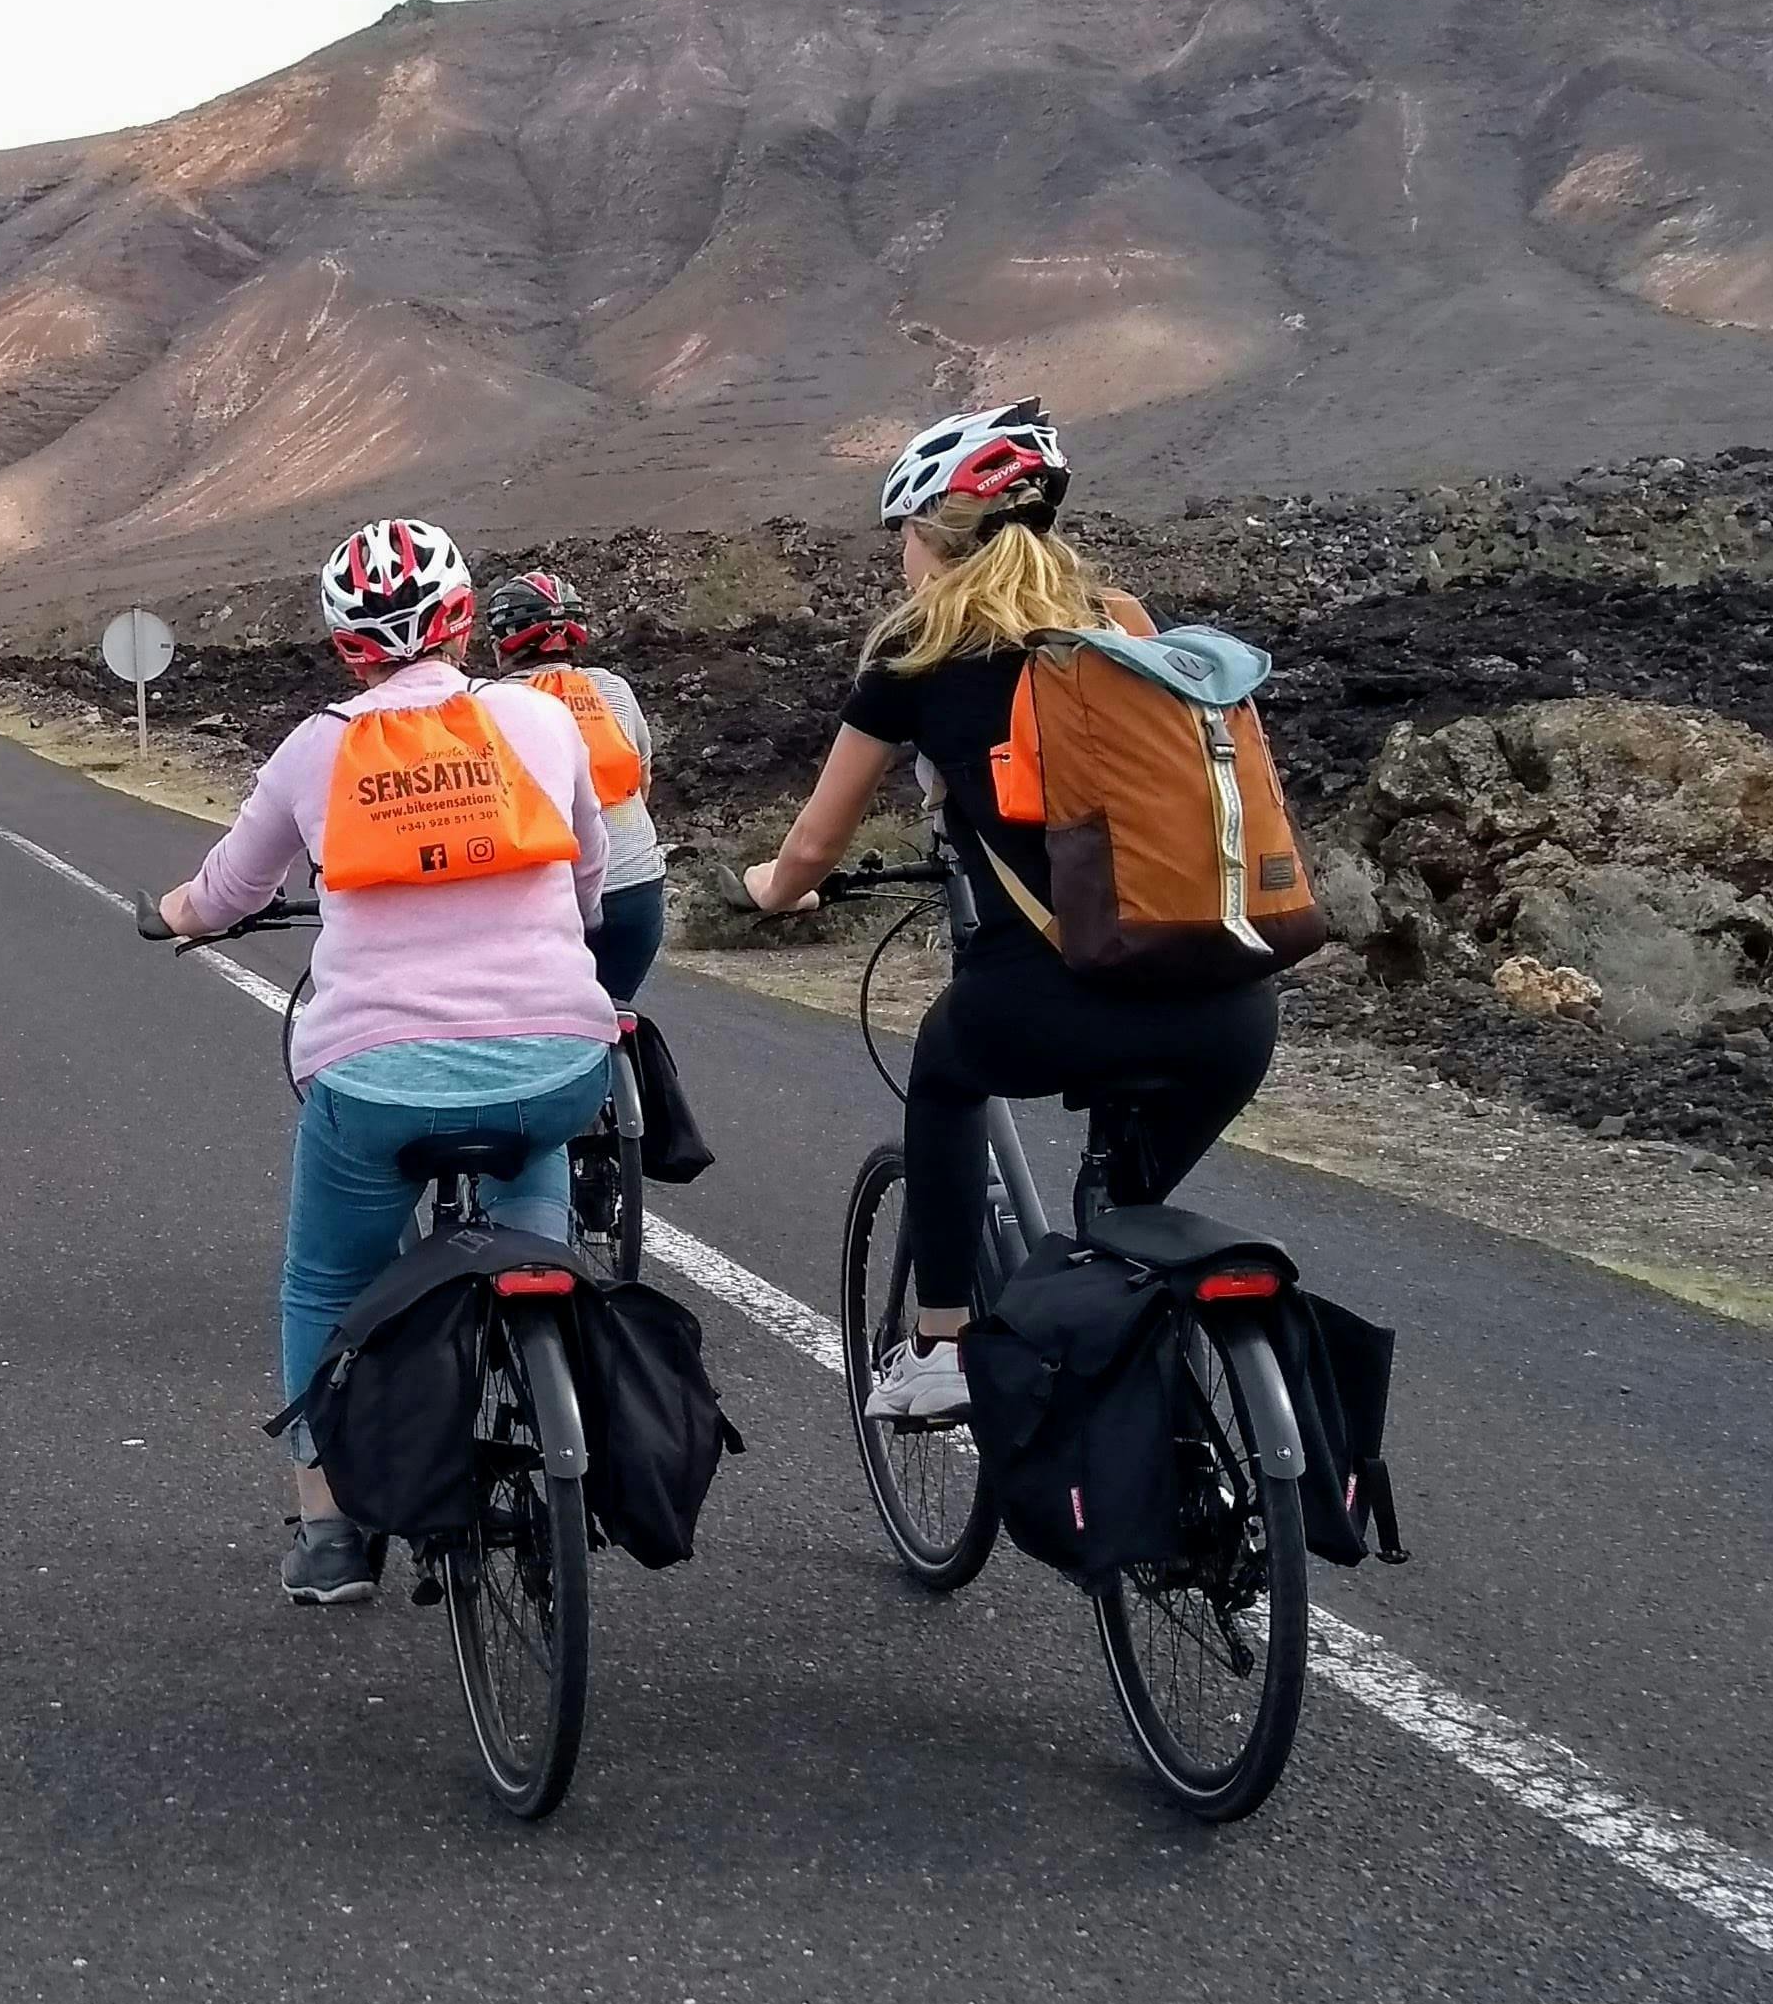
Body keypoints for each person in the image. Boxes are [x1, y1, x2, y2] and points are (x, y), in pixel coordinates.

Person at [733, 399, 1281, 1424]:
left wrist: (774, 889)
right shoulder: (1125, 626)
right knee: (1121, 1228)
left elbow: (814, 846)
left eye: (902, 534)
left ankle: (941, 1346)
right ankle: (1134, 1375)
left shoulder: (918, 653)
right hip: (1231, 1002)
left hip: (1048, 1001)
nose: (900, 556)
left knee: (946, 1076)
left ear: (932, 535)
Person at [150, 515, 617, 1606]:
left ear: (347, 645)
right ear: (462, 618)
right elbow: (590, 870)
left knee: (325, 1278)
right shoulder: (539, 725)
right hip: (556, 1058)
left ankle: (328, 1528)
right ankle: (556, 1425)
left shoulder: (319, 743)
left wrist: (171, 916)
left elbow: (227, 893)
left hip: (376, 1079)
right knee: (531, 1176)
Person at [479, 568, 669, 1003]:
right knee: (615, 1009)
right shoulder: (615, 691)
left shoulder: (485, 707)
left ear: (498, 646)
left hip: (554, 898)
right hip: (639, 886)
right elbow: (642, 783)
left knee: (543, 1027)